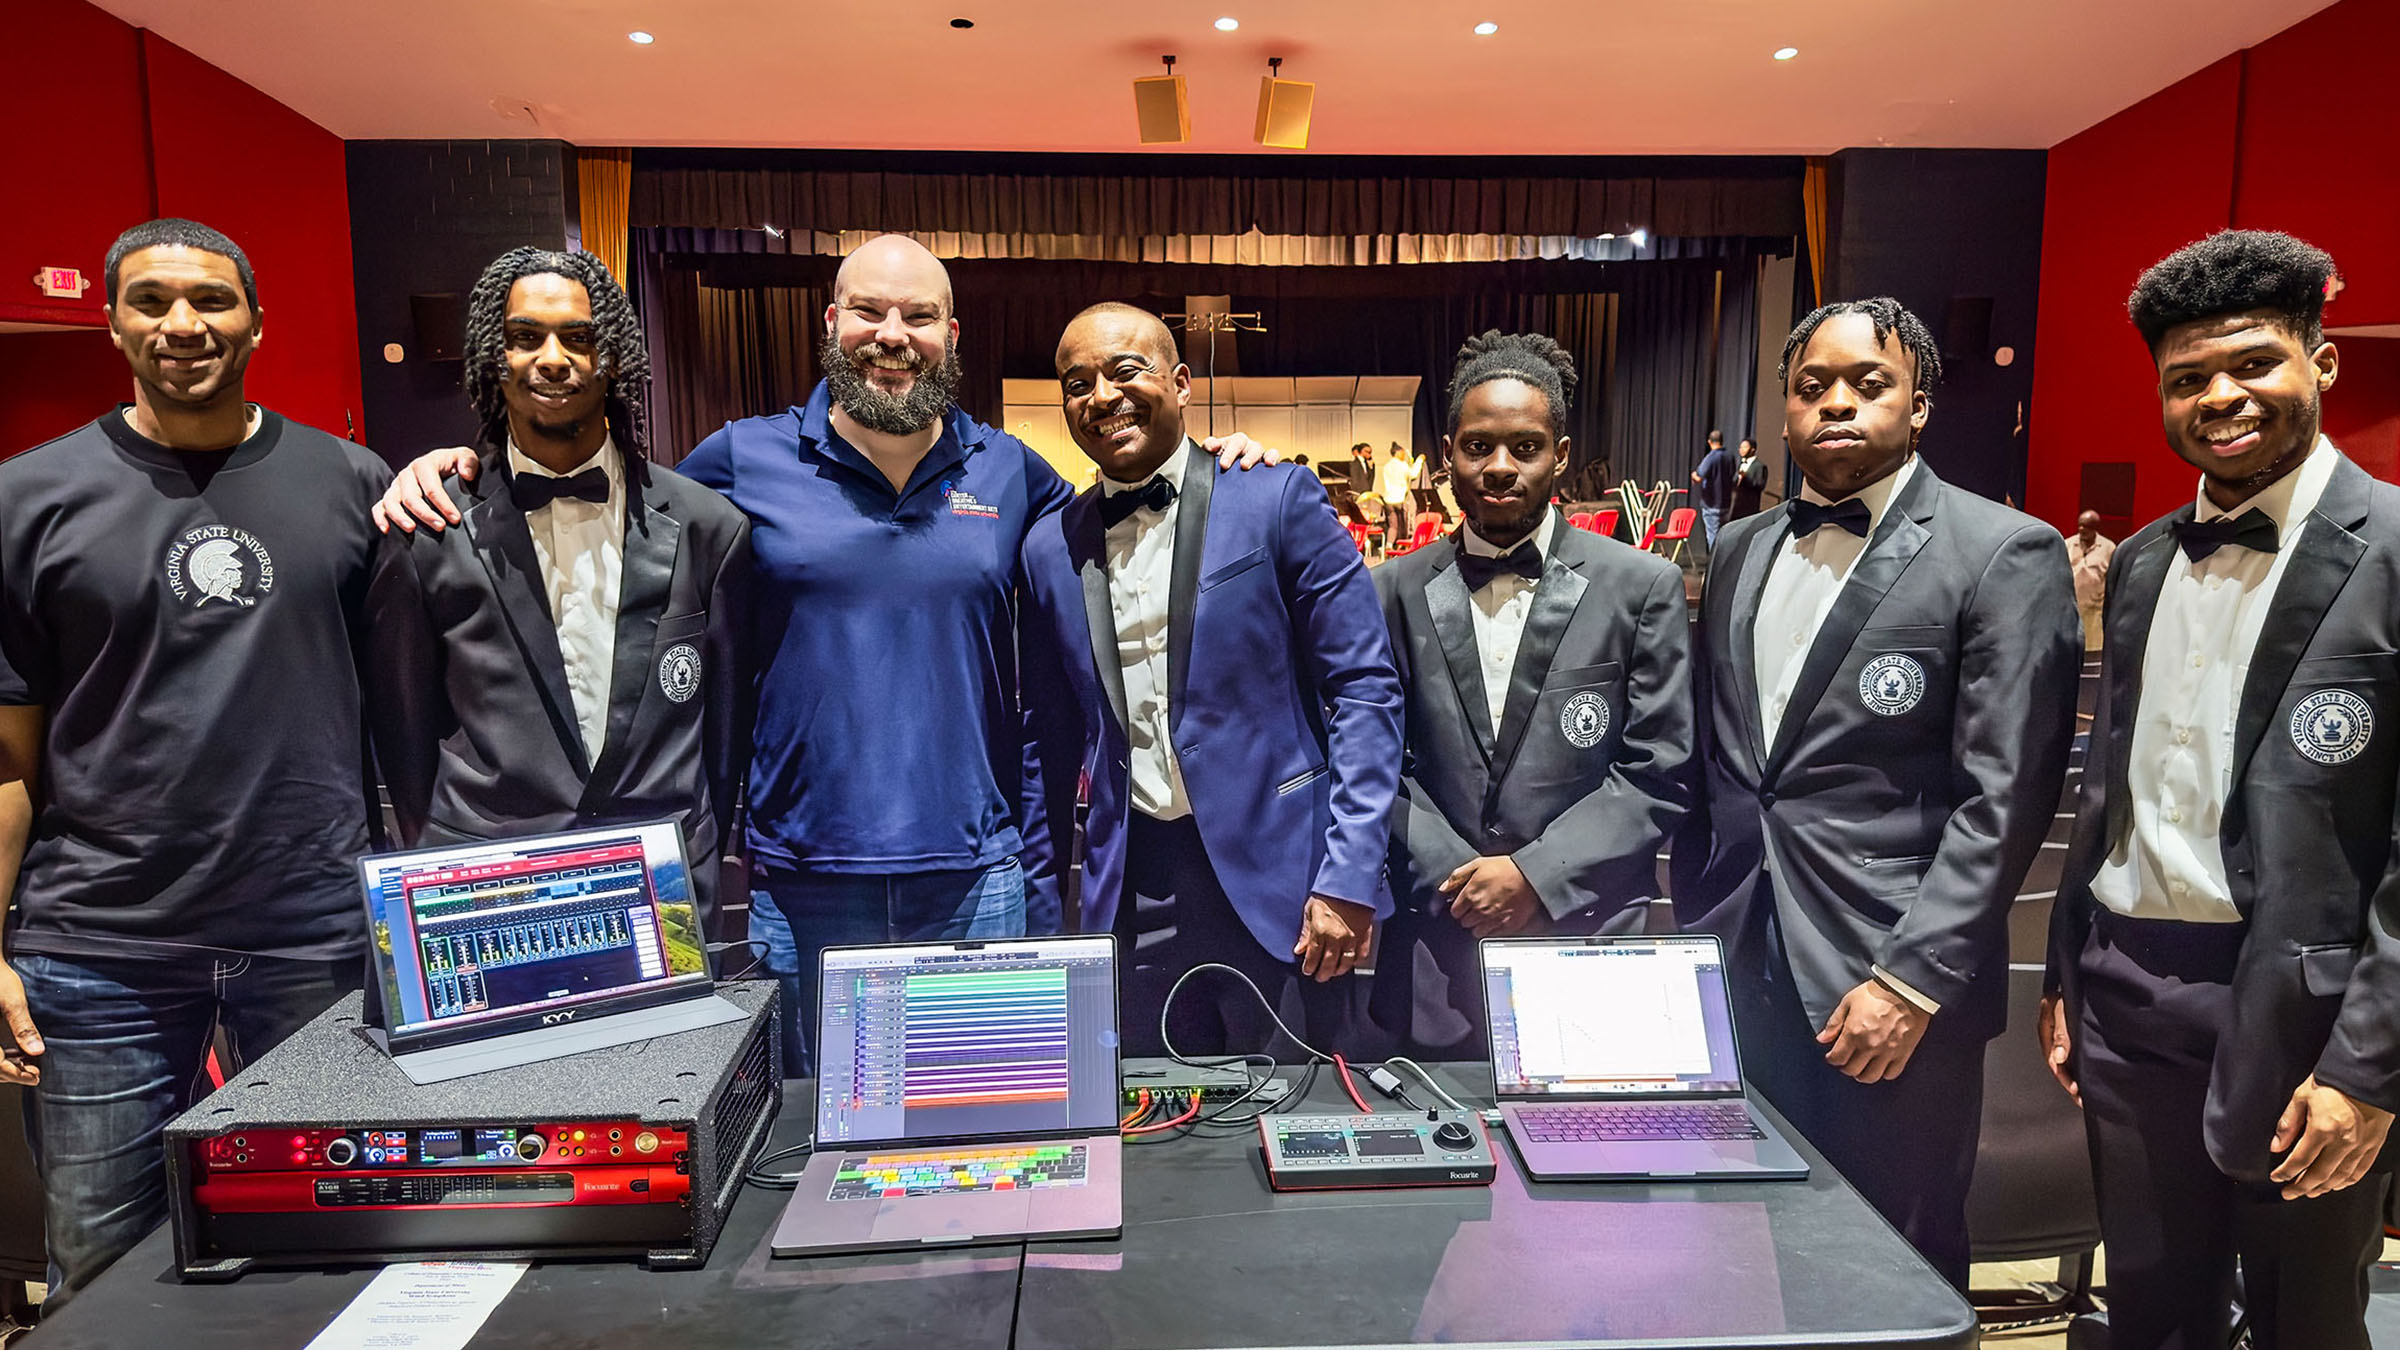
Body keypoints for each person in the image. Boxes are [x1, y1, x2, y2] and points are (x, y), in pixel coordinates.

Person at [375, 235, 1272, 1076]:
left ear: (951, 334)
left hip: (977, 877)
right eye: (869, 312)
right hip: (800, 887)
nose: (893, 335)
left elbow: (1129, 517)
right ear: (832, 323)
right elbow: (619, 500)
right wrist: (460, 465)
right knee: (806, 1136)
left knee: (981, 1124)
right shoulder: (738, 461)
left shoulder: (1011, 472)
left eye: (918, 315)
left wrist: (1222, 470)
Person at [0, 219, 392, 1306]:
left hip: (313, 934)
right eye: (153, 301)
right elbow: (8, 762)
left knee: (334, 1249)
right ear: (113, 322)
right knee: (102, 1273)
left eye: (212, 301)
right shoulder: (27, 499)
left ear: (256, 323)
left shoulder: (352, 482)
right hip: (100, 949)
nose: (183, 324)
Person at [1672, 298, 2080, 1287]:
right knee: (1740, 1247)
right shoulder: (1740, 548)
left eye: (1869, 383)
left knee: (1894, 1267)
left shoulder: (2001, 551)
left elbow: (2005, 798)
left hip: (1887, 982)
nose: (1837, 404)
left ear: (1920, 404)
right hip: (1738, 962)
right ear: (1785, 408)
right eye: (1813, 386)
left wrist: (1909, 982)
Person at [2042, 231, 2399, 1350]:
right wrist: (2066, 974)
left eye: (2252, 363)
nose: (2220, 398)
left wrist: (2369, 1067)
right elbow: (2112, 790)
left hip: (2308, 1016)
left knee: (2306, 1327)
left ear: (2321, 362)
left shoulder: (2395, 549)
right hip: (2127, 996)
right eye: (2188, 378)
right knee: (2153, 1317)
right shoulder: (2145, 561)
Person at [1019, 303, 1401, 1057]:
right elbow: (1048, 743)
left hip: (1288, 887)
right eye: (1077, 383)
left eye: (1125, 370)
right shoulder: (1047, 548)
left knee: (1296, 1111)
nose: (1101, 395)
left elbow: (1364, 690)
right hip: (1132, 892)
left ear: (1182, 383)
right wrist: (1041, 913)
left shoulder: (1274, 496)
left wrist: (1349, 874)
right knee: (1155, 1117)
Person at [364, 248, 752, 920]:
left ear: (614, 358)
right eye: (526, 337)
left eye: (578, 337)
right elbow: (403, 736)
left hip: (663, 890)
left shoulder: (709, 527)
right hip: (490, 892)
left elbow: (723, 740)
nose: (552, 358)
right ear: (495, 358)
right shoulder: (429, 527)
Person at [1370, 332, 1693, 1052]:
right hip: (1434, 948)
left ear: (1561, 454)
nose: (1499, 467)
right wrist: (1459, 880)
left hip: (1587, 936)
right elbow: (1371, 763)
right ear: (1447, 453)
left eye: (1525, 447)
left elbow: (1658, 770)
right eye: (1477, 446)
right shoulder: (1389, 590)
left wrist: (1534, 877)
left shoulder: (1641, 587)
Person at [2065, 508, 2115, 651]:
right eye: (2080, 525)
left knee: (2093, 655)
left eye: (2086, 526)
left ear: (2095, 528)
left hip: (2095, 614)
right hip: (2071, 612)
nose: (2081, 529)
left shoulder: (2109, 548)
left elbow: (2112, 582)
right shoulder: (2067, 544)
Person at [1690, 428, 1732, 547]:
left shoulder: (1711, 457)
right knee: (1724, 537)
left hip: (1712, 504)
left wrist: (1693, 475)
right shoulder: (1729, 456)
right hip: (1726, 503)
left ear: (1709, 442)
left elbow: (1699, 477)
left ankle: (1715, 559)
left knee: (1713, 536)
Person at [1379, 442, 1420, 544]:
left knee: (1393, 525)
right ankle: (1403, 544)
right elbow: (1413, 474)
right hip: (1400, 498)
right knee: (1404, 524)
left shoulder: (1386, 466)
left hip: (1388, 499)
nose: (1404, 455)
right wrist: (1419, 461)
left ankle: (1389, 544)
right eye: (1403, 453)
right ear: (1397, 453)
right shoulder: (1402, 465)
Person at [1731, 437, 1768, 520]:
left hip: (1750, 507)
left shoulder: (1760, 466)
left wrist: (1746, 478)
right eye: (1740, 447)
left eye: (1745, 447)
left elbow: (1760, 485)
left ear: (1752, 449)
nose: (1741, 450)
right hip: (1737, 505)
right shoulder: (1741, 463)